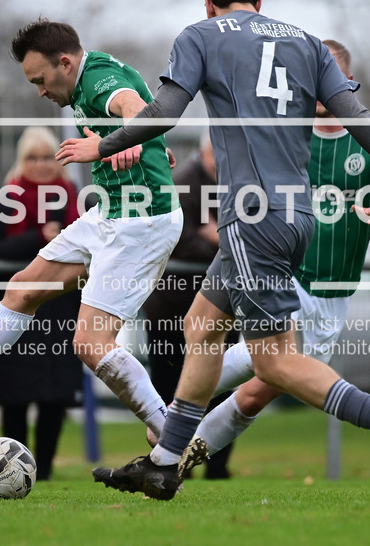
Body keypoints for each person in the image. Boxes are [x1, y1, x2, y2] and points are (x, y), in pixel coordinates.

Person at [57, 0, 370, 501]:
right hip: (295, 218)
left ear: (209, 3)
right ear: (259, 0)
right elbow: (360, 120)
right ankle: (165, 463)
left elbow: (166, 110)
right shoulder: (308, 43)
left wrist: (104, 143)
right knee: (202, 326)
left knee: (273, 359)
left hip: (250, 217)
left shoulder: (203, 34)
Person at [0, 20, 183, 445]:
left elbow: (132, 107)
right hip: (112, 215)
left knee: (91, 342)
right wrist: (147, 145)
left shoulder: (98, 80)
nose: (40, 91)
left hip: (142, 223)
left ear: (65, 63)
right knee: (22, 289)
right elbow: (144, 118)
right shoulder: (89, 77)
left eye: (41, 80)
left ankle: (170, 432)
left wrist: (123, 141)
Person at [193, 38, 370, 457]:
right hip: (283, 276)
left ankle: (173, 444)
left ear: (348, 83)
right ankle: (169, 429)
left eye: (329, 78)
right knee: (249, 358)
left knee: (255, 394)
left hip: (331, 299)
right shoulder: (287, 135)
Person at [0, 127, 83, 481]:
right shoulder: (6, 201)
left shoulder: (75, 200)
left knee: (54, 398)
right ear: (21, 161)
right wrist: (37, 239)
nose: (40, 165)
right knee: (14, 397)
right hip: (15, 317)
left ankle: (44, 471)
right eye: (32, 158)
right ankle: (10, 472)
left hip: (60, 314)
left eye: (47, 157)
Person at [141, 132, 238, 479]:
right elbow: (174, 236)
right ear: (205, 153)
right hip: (171, 308)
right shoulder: (182, 184)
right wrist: (211, 240)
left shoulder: (237, 184)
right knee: (168, 388)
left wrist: (220, 235)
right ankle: (170, 460)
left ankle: (217, 465)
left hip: (222, 306)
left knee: (219, 386)